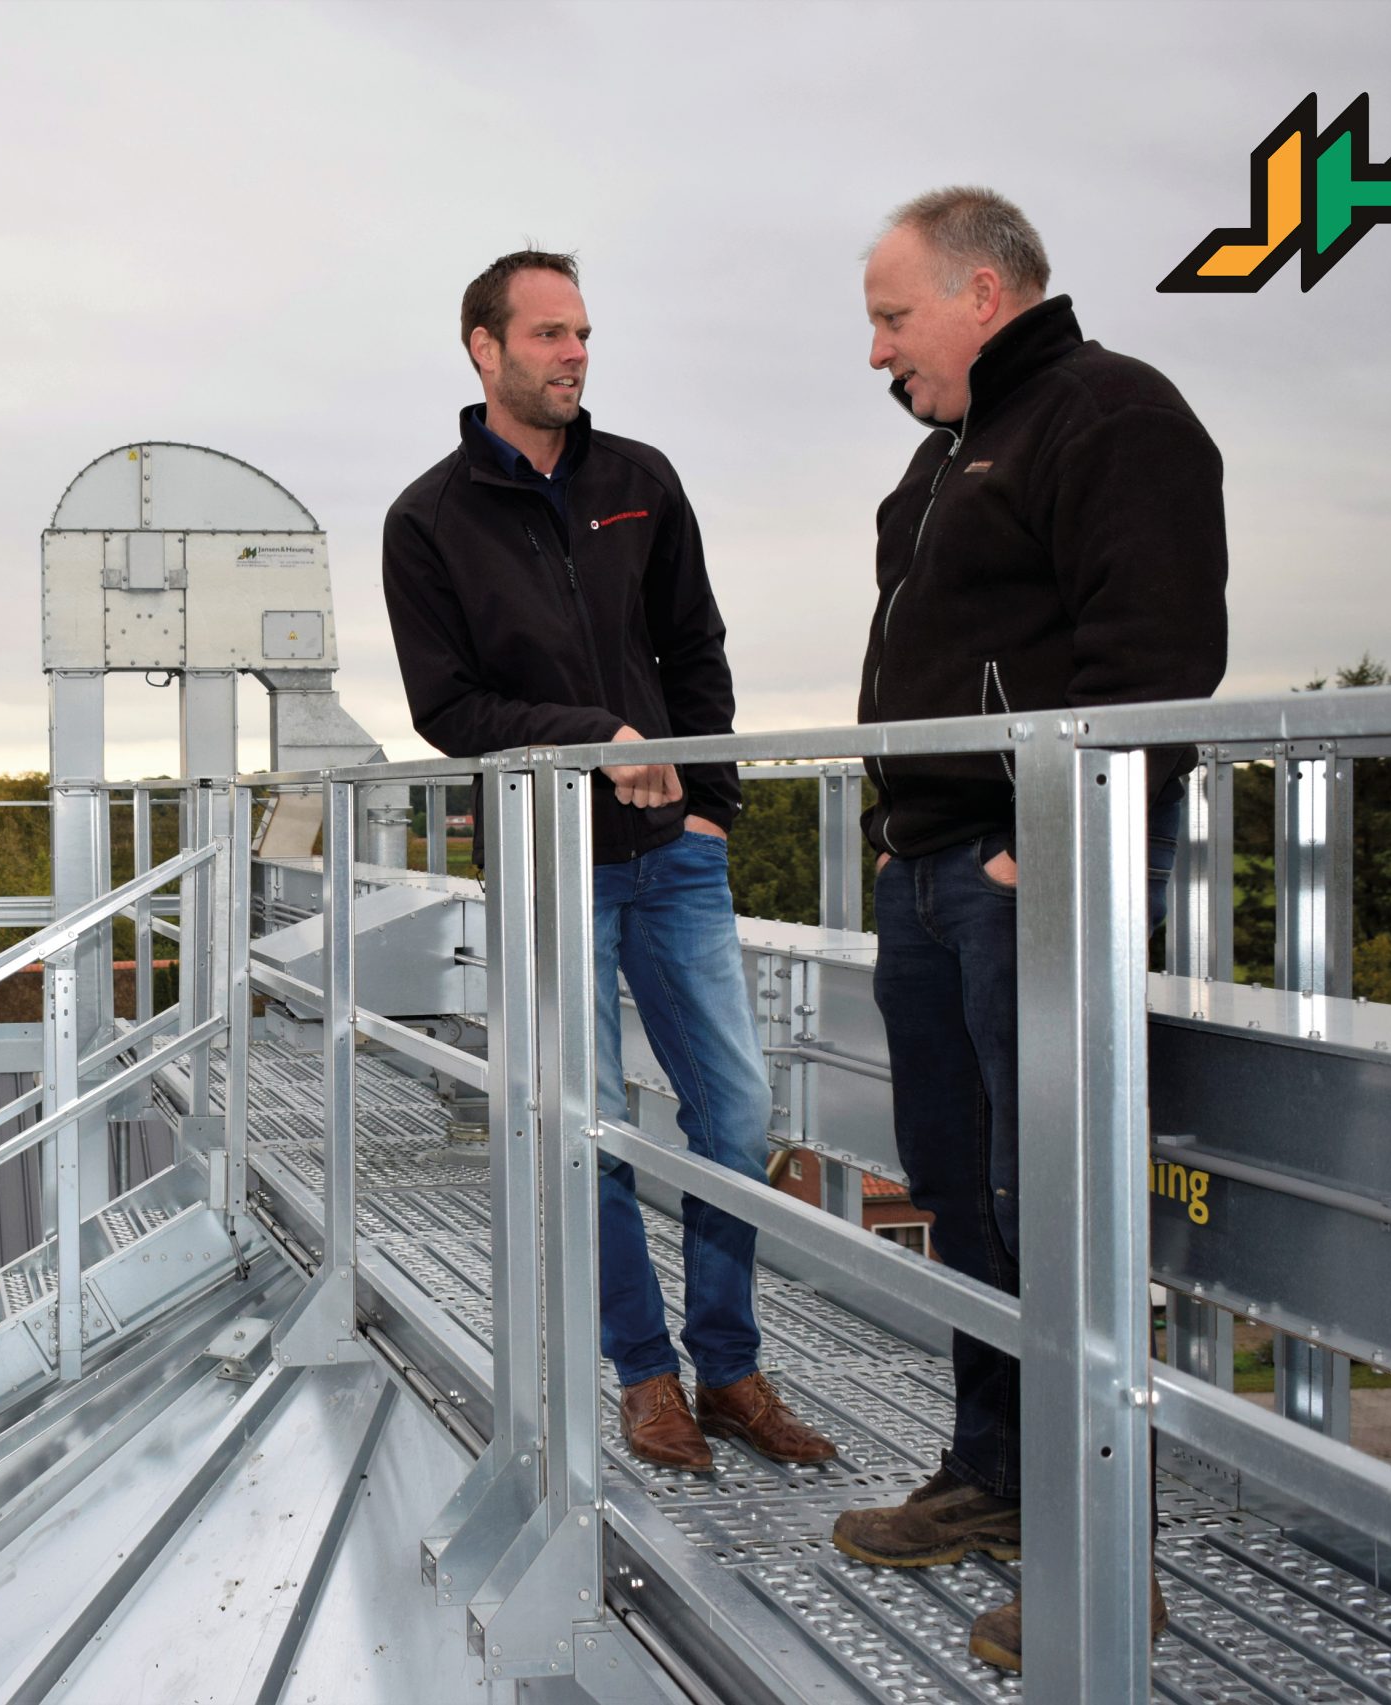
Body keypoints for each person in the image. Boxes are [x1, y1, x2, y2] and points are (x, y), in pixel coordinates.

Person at [829, 188, 1228, 1672]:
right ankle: (996, 1472)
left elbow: (1160, 657)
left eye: (893, 316)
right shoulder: (943, 453)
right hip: (929, 867)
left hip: (1032, 870)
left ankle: (1102, 1551)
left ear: (982, 293)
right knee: (959, 1189)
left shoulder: (1112, 415)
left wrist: (1036, 848)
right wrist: (905, 837)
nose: (879, 350)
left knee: (1057, 1198)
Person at [381, 249, 835, 1475]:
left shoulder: (641, 479)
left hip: (674, 856)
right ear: (483, 348)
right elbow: (449, 710)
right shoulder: (426, 519)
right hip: (549, 865)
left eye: (582, 333)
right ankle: (645, 1374)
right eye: (548, 335)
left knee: (734, 1113)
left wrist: (712, 804)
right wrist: (597, 737)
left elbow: (695, 647)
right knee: (590, 1124)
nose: (575, 354)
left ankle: (728, 1366)